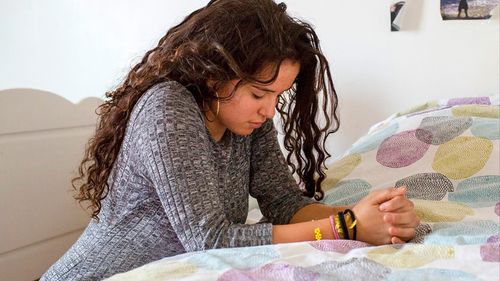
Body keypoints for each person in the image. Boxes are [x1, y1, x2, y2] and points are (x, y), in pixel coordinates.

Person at [41, 0, 419, 280]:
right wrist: (347, 227)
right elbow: (211, 241)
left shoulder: (245, 122)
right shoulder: (167, 109)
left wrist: (374, 218)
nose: (269, 111)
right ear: (214, 73)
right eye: (259, 94)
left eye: (278, 96)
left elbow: (284, 204)